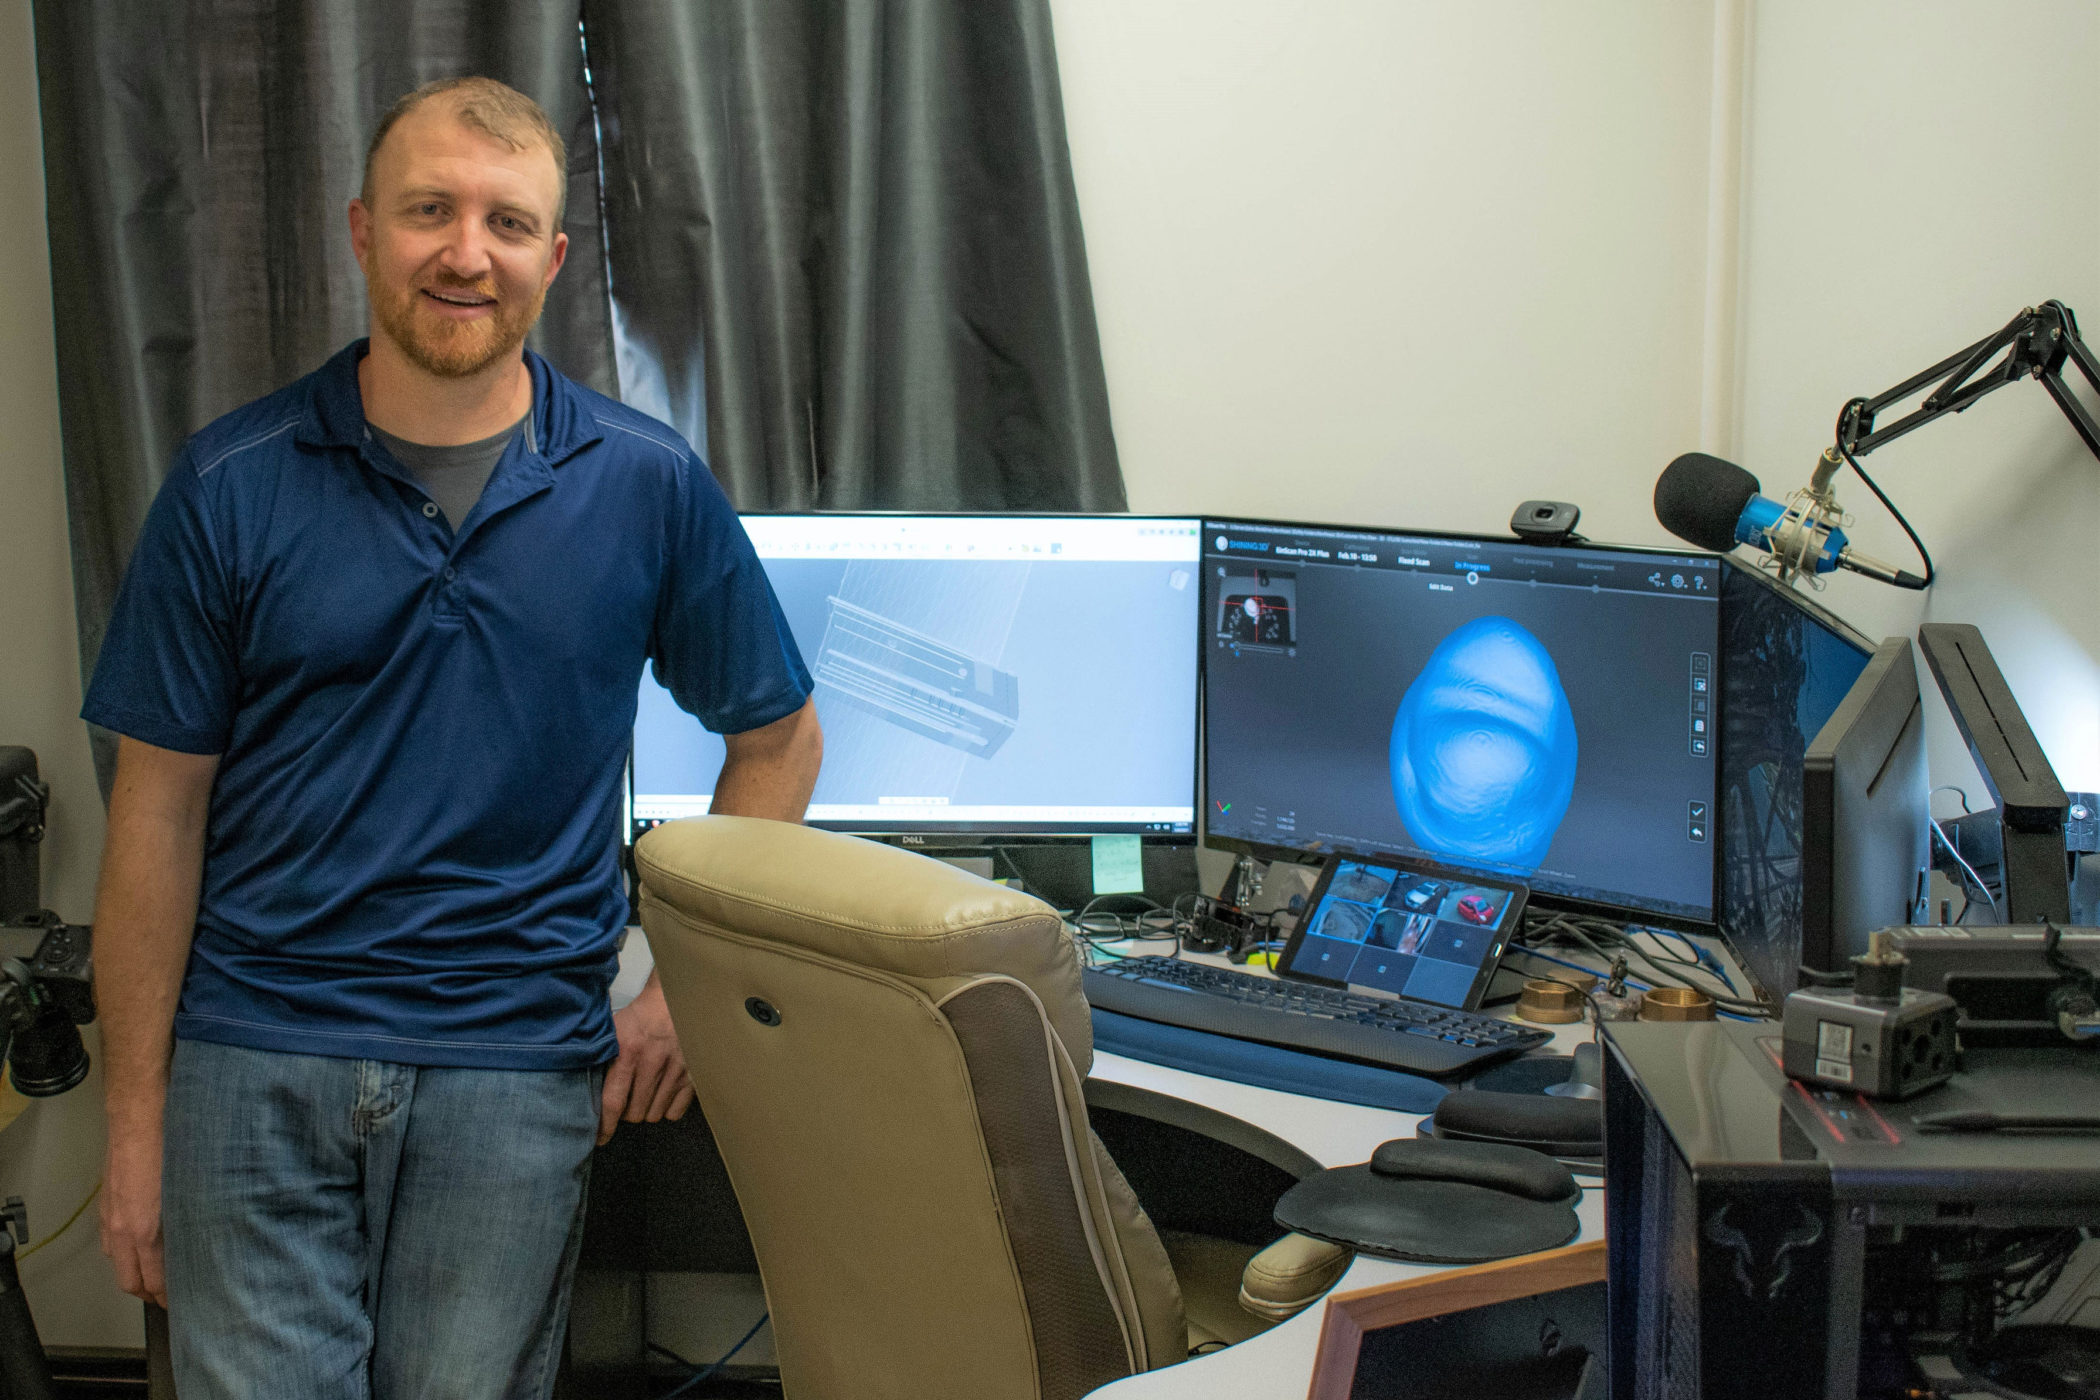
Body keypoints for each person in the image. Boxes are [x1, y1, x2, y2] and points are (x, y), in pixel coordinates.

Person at [86, 76, 823, 1398]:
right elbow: (155, 819)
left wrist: (680, 1001)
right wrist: (132, 1133)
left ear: (551, 256)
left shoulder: (646, 485)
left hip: (516, 1069)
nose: (465, 253)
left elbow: (778, 741)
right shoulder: (229, 484)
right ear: (365, 232)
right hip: (255, 1054)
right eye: (431, 211)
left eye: (504, 220)